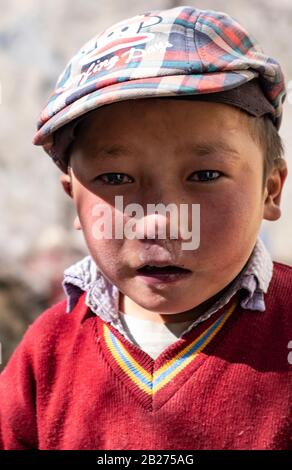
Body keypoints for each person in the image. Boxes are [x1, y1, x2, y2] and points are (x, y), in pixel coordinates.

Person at [0, 5, 291, 450]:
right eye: (115, 179)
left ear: (271, 191)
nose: (158, 222)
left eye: (205, 175)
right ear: (73, 203)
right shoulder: (47, 353)